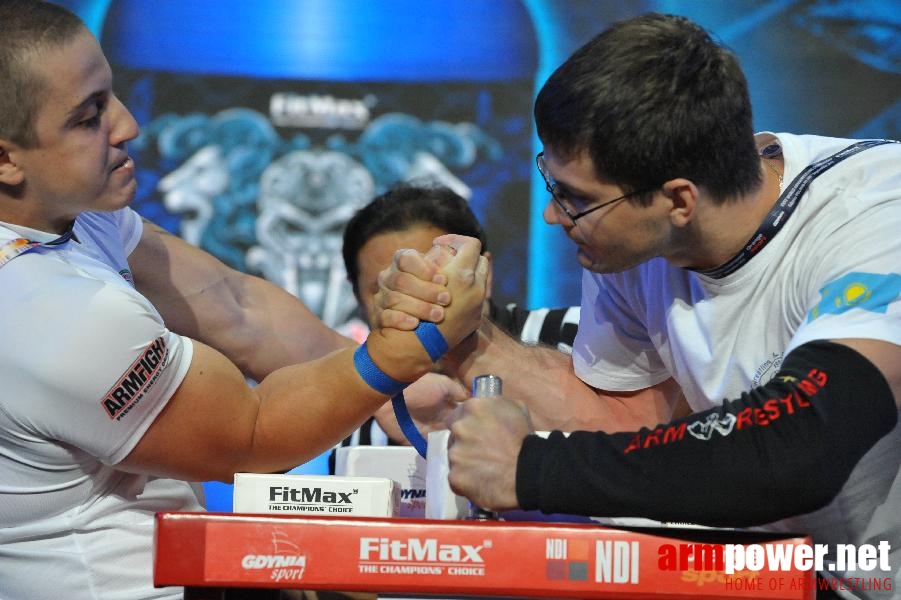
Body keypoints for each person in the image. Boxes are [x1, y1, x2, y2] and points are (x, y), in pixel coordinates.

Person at [376, 12, 901, 596]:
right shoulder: (632, 236)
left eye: (575, 198)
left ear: (678, 200)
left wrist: (528, 469)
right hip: (770, 580)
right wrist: (464, 336)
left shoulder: (878, 216)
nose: (554, 215)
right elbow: (628, 428)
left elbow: (803, 444)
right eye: (552, 183)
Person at [0, 3, 486, 599]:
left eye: (112, 95)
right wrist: (402, 352)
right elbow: (252, 438)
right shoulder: (46, 314)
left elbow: (235, 307)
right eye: (88, 116)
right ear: (5, 158)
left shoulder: (72, 218)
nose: (127, 125)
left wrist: (392, 398)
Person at [334, 182, 580, 454]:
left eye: (433, 280)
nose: (414, 307)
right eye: (389, 289)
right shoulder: (345, 414)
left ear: (482, 275)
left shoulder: (580, 339)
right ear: (357, 298)